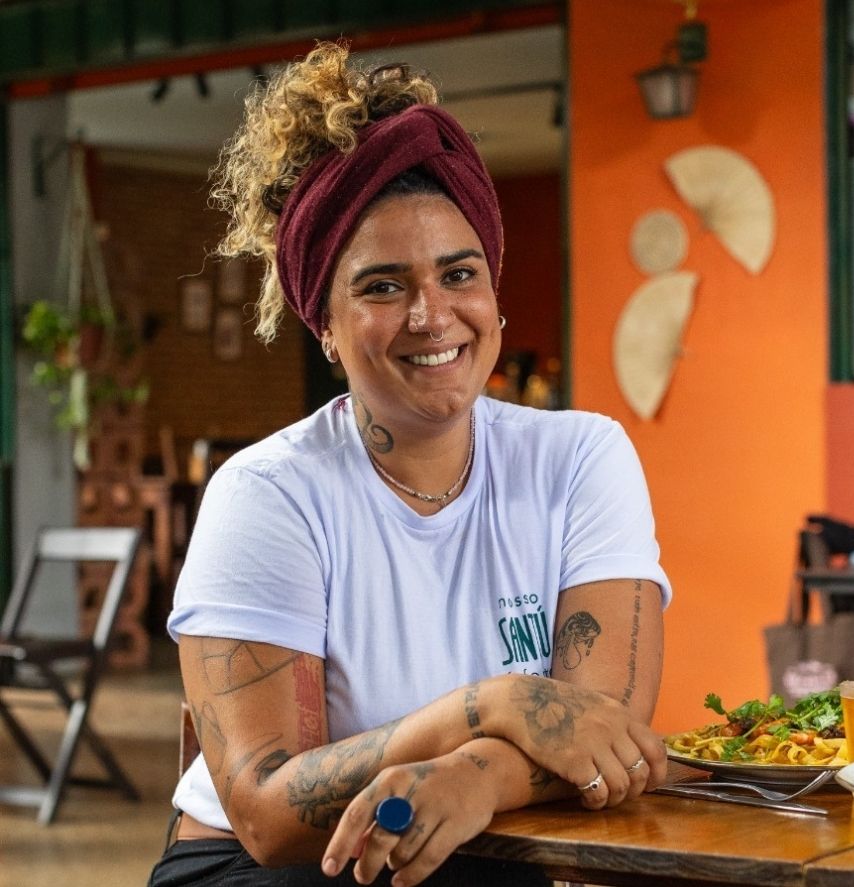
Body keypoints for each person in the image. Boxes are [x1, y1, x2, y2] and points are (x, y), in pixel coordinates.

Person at [149, 42, 671, 887]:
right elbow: (267, 815)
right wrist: (489, 704)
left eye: (459, 274)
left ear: (493, 295)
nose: (432, 315)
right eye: (383, 286)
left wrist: (473, 776)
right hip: (270, 870)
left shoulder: (581, 458)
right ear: (325, 325)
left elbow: (603, 733)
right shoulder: (268, 494)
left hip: (482, 845)